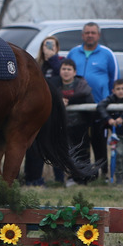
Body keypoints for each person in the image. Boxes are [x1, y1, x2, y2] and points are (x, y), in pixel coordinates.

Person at [66, 22, 119, 171]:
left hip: (99, 107)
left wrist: (110, 103)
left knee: (99, 142)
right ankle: (83, 173)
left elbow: (114, 80)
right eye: (87, 33)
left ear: (98, 35)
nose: (90, 35)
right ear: (82, 35)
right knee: (80, 142)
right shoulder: (73, 53)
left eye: (93, 33)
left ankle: (103, 174)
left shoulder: (107, 54)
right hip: (78, 108)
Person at [23, 35, 64, 186]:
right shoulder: (37, 64)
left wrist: (53, 59)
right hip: (37, 110)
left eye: (52, 45)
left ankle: (59, 180)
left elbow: (63, 78)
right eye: (46, 46)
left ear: (57, 48)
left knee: (54, 144)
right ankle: (32, 178)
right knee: (34, 146)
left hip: (55, 110)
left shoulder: (61, 62)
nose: (48, 48)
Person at [47, 58, 94, 186]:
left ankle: (83, 179)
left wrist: (70, 102)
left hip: (79, 125)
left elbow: (89, 103)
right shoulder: (53, 85)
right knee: (59, 152)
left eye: (69, 69)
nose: (66, 72)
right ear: (60, 71)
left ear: (74, 72)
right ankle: (60, 180)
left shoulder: (82, 86)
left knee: (81, 152)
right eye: (63, 69)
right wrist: (59, 102)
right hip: (59, 126)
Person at [96, 78, 123, 185]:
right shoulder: (111, 99)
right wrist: (108, 119)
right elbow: (100, 105)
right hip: (117, 135)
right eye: (118, 89)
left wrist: (122, 117)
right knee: (118, 155)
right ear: (113, 90)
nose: (120, 91)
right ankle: (119, 178)